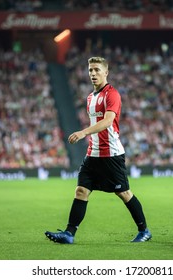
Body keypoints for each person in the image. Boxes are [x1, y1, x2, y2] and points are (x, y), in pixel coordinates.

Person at [45, 57, 152, 244]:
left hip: (111, 154)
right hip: (93, 154)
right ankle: (69, 234)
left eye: (96, 70)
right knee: (81, 191)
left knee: (124, 193)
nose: (93, 74)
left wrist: (83, 132)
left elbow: (108, 121)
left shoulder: (112, 94)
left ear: (106, 72)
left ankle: (144, 231)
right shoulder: (90, 97)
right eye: (90, 70)